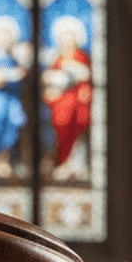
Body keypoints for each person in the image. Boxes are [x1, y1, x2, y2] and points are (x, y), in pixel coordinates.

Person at [0, 15, 30, 180]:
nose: (5, 39)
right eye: (2, 35)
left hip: (11, 101)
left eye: (8, 35)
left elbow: (21, 78)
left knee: (12, 128)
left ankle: (6, 160)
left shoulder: (11, 58)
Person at [42, 15, 92, 179]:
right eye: (63, 36)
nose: (67, 40)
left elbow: (84, 77)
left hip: (76, 101)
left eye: (70, 36)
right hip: (57, 103)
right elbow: (48, 78)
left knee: (75, 129)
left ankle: (74, 164)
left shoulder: (81, 56)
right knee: (57, 127)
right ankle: (60, 162)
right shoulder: (56, 57)